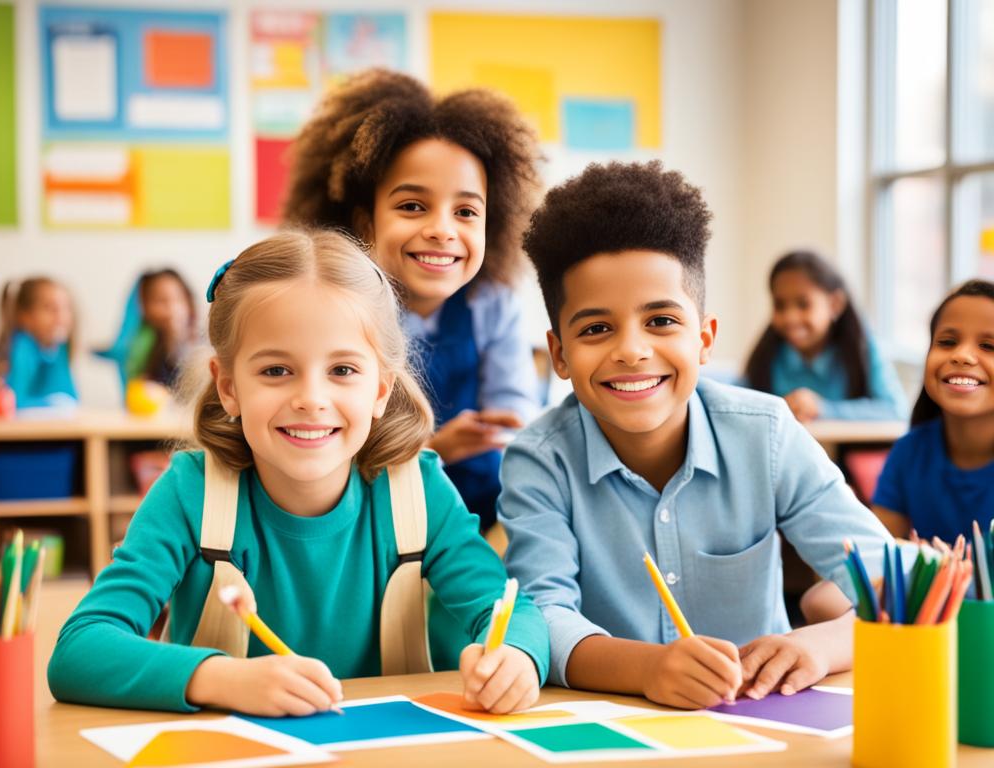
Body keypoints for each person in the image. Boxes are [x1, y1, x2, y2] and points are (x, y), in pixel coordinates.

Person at [48, 230, 548, 715]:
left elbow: (509, 611)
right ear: (228, 388)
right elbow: (80, 648)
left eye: (343, 370)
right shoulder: (189, 493)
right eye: (275, 370)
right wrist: (223, 679)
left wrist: (516, 659)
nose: (311, 399)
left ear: (379, 390)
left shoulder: (420, 491)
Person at [499, 161, 891, 710]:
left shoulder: (769, 435)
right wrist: (649, 669)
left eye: (660, 321)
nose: (632, 349)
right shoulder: (539, 461)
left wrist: (821, 646)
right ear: (559, 354)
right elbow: (543, 617)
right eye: (595, 328)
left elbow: (889, 585)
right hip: (614, 728)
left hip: (762, 723)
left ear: (705, 338)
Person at [283, 69, 543, 530]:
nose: (443, 229)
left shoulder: (494, 305)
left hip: (476, 518)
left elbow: (516, 419)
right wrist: (434, 446)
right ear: (366, 224)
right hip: (368, 522)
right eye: (412, 206)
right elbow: (330, 450)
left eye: (465, 212)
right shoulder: (338, 313)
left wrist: (506, 432)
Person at [873, 280, 994, 541]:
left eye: (988, 346)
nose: (962, 355)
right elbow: (881, 560)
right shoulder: (908, 453)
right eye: (947, 342)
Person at [743, 250, 905, 422]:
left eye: (803, 304)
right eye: (780, 305)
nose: (790, 318)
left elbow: (895, 411)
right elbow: (739, 407)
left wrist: (822, 409)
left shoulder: (863, 346)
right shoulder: (766, 357)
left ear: (835, 304)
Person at [0, 276, 77, 408]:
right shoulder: (22, 348)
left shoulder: (58, 347)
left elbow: (70, 397)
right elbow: (13, 403)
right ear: (25, 316)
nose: (61, 316)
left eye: (66, 308)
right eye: (50, 308)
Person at [126, 268, 198, 388]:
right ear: (144, 306)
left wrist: (176, 336)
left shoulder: (200, 341)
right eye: (161, 301)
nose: (171, 308)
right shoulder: (144, 343)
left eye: (178, 299)